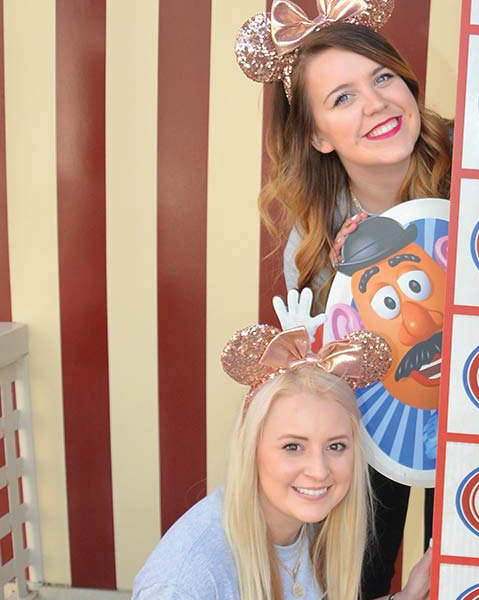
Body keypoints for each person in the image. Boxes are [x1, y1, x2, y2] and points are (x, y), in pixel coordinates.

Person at [235, 2, 453, 594]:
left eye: (382, 77)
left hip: (476, 410)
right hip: (372, 423)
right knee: (352, 571)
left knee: (466, 571)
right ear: (316, 135)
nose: (377, 103)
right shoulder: (312, 245)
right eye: (342, 98)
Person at [132, 325, 431, 599]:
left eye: (336, 446)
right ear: (251, 449)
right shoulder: (185, 583)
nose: (319, 471)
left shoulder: (308, 525)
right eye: (292, 446)